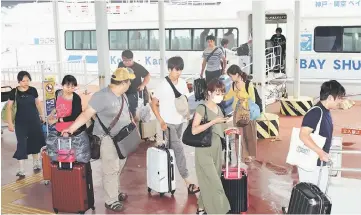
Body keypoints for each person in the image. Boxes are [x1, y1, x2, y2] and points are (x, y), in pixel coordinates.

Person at [61, 68, 136, 212]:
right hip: (107, 139)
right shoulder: (102, 96)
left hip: (122, 138)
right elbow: (86, 114)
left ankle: (115, 190)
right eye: (129, 81)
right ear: (124, 82)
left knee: (119, 165)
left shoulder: (122, 95)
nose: (130, 83)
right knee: (111, 169)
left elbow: (126, 112)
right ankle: (110, 200)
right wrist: (71, 128)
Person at [282, 80, 345, 214]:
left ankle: (294, 210)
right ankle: (294, 210)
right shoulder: (316, 112)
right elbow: (303, 135)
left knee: (316, 194)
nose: (340, 101)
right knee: (310, 195)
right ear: (330, 97)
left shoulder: (326, 111)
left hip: (318, 162)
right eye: (339, 98)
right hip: (311, 163)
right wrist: (320, 152)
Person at [151, 56, 200, 194]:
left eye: (180, 70)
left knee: (171, 151)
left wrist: (187, 115)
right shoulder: (162, 85)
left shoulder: (183, 83)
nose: (178, 72)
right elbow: (153, 104)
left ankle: (164, 178)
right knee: (179, 150)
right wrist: (161, 121)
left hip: (180, 122)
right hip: (168, 124)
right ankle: (188, 182)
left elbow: (184, 102)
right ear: (169, 69)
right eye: (176, 70)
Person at [192, 79, 231, 214]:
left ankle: (201, 208)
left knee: (208, 180)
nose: (220, 95)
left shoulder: (219, 108)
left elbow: (222, 128)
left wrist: (229, 124)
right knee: (216, 185)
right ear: (209, 92)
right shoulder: (201, 108)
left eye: (222, 93)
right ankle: (222, 211)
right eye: (218, 92)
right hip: (204, 150)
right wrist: (213, 121)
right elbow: (194, 130)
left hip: (217, 149)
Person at [7, 71, 46, 177]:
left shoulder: (33, 90)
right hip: (20, 123)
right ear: (19, 81)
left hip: (34, 120)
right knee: (21, 144)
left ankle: (36, 163)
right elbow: (9, 108)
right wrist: (10, 123)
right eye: (23, 81)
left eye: (27, 80)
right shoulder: (14, 92)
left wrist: (42, 116)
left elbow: (38, 104)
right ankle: (21, 169)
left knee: (35, 141)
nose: (25, 82)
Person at [224, 65, 257, 163]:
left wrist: (244, 101)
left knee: (249, 134)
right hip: (237, 112)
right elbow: (229, 95)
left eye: (231, 76)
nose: (230, 78)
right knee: (238, 134)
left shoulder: (248, 84)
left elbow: (253, 99)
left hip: (248, 112)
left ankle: (250, 155)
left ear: (237, 74)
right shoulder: (233, 85)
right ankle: (242, 154)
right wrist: (219, 96)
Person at [118, 50, 150, 119]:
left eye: (129, 60)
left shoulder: (138, 67)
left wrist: (143, 85)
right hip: (123, 92)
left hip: (133, 93)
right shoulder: (120, 64)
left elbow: (147, 75)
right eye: (125, 60)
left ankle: (132, 125)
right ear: (122, 59)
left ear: (132, 58)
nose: (127, 62)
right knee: (122, 110)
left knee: (132, 111)